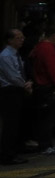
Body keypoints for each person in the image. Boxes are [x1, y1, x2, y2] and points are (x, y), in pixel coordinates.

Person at [28, 24, 55, 155]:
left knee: (43, 119)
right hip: (48, 89)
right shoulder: (48, 49)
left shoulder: (39, 47)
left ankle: (45, 144)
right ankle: (45, 146)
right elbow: (54, 71)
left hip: (41, 88)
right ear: (54, 36)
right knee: (48, 120)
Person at [0, 28, 33, 165]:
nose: (22, 39)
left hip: (17, 91)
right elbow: (13, 76)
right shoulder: (6, 55)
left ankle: (15, 150)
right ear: (10, 40)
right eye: (19, 37)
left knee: (17, 123)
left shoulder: (15, 54)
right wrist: (26, 85)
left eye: (22, 37)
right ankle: (7, 155)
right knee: (10, 125)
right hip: (10, 92)